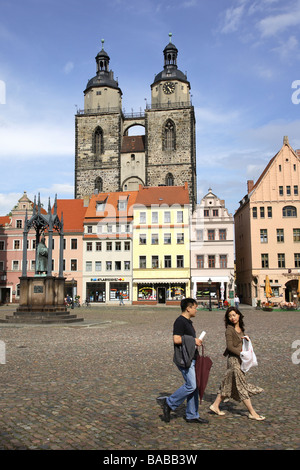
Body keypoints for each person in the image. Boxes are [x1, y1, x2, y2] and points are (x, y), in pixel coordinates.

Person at [157, 298, 209, 424]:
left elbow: (187, 338)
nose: (196, 310)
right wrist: (193, 340)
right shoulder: (180, 321)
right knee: (191, 385)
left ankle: (192, 415)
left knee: (194, 387)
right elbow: (176, 339)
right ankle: (169, 402)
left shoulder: (188, 322)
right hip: (184, 358)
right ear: (188, 308)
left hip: (192, 357)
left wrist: (195, 341)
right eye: (195, 307)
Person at [210, 306, 265, 421]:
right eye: (230, 316)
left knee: (229, 383)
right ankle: (252, 412)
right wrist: (241, 353)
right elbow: (229, 347)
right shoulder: (229, 330)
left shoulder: (241, 329)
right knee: (241, 386)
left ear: (239, 315)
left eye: (234, 315)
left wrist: (246, 340)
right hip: (234, 361)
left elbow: (240, 342)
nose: (232, 318)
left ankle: (215, 405)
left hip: (240, 360)